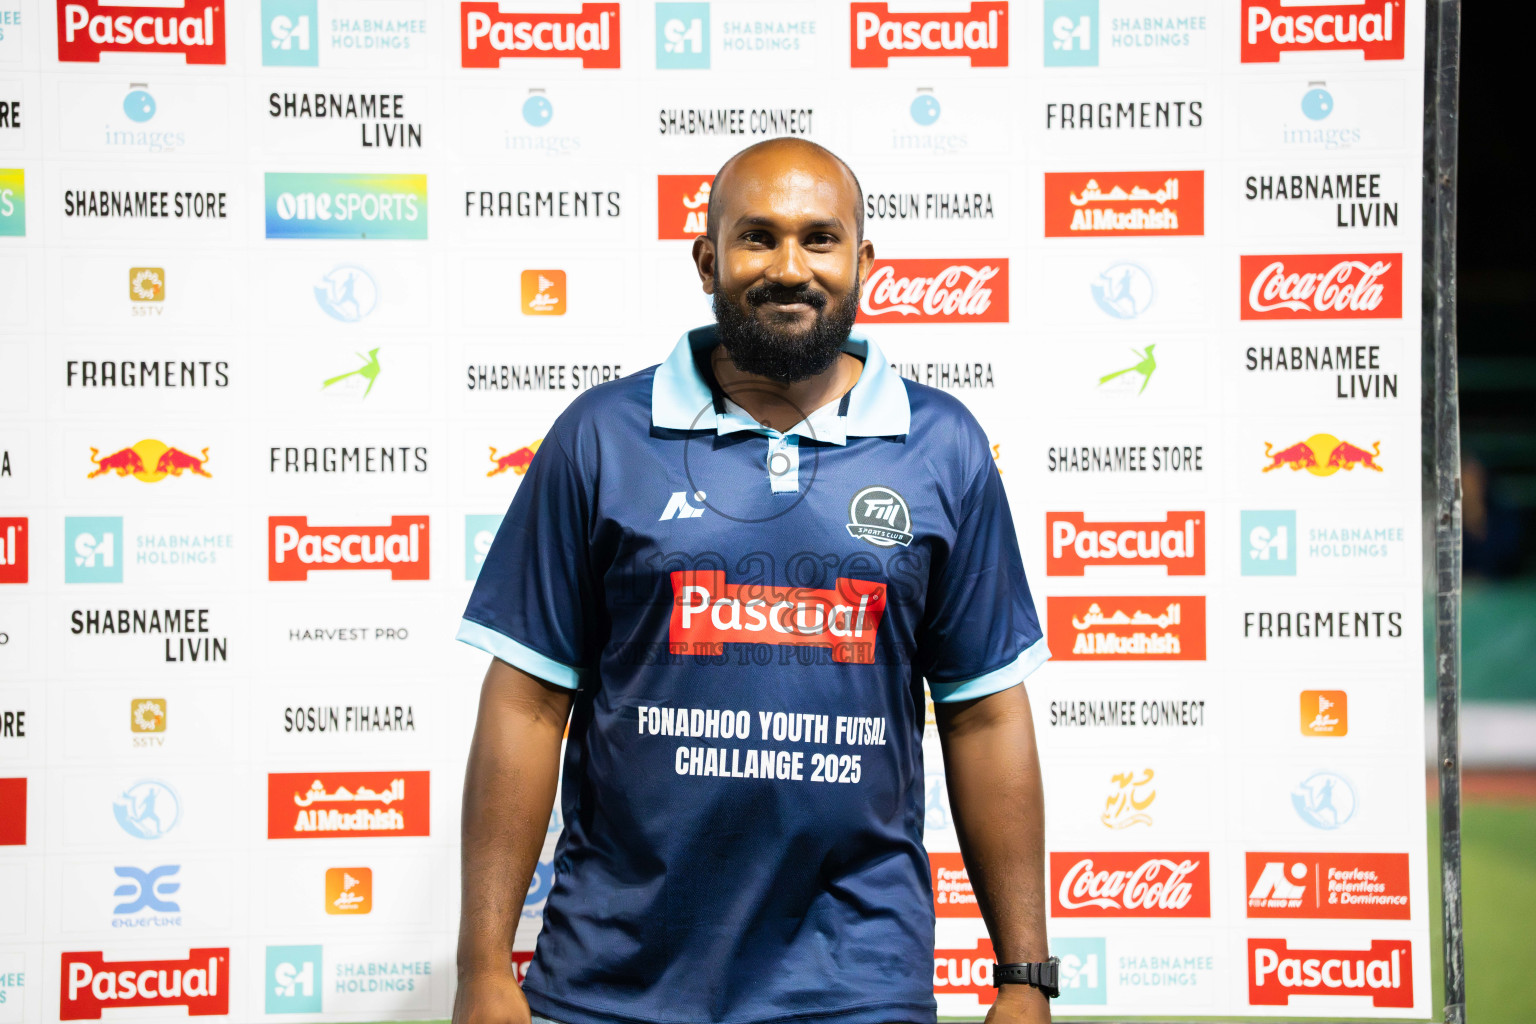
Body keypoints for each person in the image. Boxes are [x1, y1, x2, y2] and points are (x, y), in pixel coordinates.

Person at [453, 138, 1054, 1024]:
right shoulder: (601, 436)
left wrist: (1023, 978)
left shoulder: (943, 446)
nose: (789, 268)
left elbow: (984, 710)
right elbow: (526, 703)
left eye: (820, 239)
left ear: (863, 262)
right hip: (612, 986)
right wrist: (480, 971)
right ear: (707, 260)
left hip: (855, 987)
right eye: (756, 238)